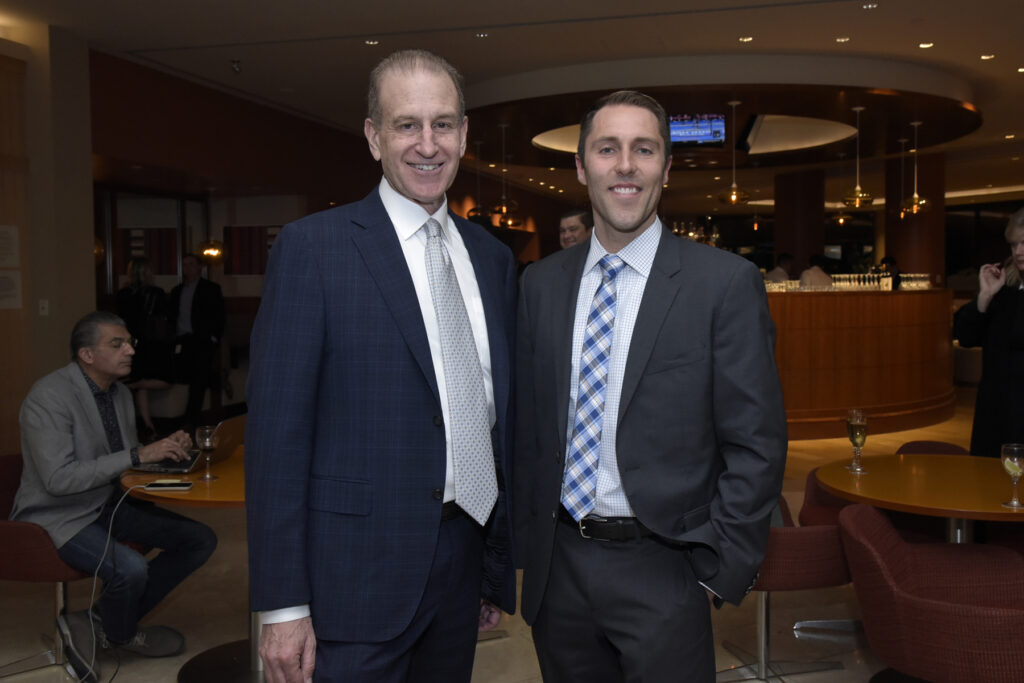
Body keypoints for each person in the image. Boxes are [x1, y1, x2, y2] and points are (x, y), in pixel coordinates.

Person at [245, 49, 516, 683]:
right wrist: (283, 605)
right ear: (373, 137)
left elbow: (492, 416)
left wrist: (492, 568)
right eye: (406, 125)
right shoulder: (314, 249)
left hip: (461, 559)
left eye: (442, 124)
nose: (428, 144)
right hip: (353, 582)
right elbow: (277, 440)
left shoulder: (492, 259)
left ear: (464, 134)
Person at [515, 90, 787, 682]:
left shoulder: (723, 284)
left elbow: (757, 443)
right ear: (581, 167)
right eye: (607, 149)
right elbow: (527, 428)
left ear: (666, 167)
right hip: (558, 570)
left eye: (644, 149)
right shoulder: (540, 284)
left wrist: (717, 565)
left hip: (665, 568)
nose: (626, 165)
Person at [11, 311, 217, 681]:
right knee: (131, 569)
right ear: (87, 355)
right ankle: (119, 632)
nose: (131, 351)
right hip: (58, 514)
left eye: (130, 342)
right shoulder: (49, 396)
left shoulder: (120, 393)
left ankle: (96, 622)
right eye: (117, 344)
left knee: (200, 539)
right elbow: (58, 479)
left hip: (109, 503)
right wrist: (139, 455)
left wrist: (166, 450)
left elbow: (123, 458)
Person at [954, 207, 1024, 458]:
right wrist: (984, 297)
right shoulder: (1003, 290)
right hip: (994, 412)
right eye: (1013, 244)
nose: (1018, 252)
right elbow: (965, 336)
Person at [115, 257, 173, 441]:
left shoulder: (123, 294)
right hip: (151, 344)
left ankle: (148, 426)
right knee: (166, 379)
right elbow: (165, 319)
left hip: (130, 342)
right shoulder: (155, 293)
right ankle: (133, 388)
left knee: (141, 383)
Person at [168, 253, 225, 430]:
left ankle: (191, 419)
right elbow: (172, 317)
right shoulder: (177, 291)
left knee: (198, 379)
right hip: (182, 340)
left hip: (202, 340)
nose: (188, 268)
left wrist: (213, 338)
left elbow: (219, 316)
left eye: (191, 264)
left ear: (200, 266)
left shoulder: (211, 289)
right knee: (182, 374)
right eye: (184, 264)